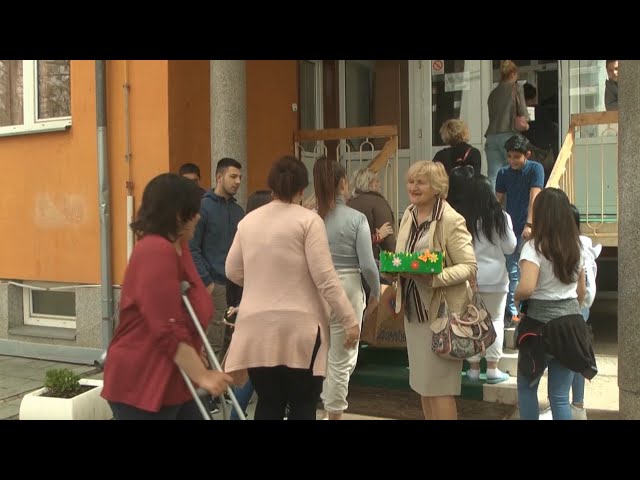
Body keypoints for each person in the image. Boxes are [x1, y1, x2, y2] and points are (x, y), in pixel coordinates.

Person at [223, 155, 360, 420]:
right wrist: (349, 319)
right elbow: (325, 277)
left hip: (257, 328)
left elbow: (231, 270)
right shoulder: (308, 221)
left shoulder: (248, 222)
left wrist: (261, 281)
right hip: (301, 329)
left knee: (268, 402)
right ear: (301, 189)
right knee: (302, 403)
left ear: (272, 186)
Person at [101, 173, 233, 420]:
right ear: (177, 215)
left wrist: (195, 351)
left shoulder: (180, 247)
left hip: (174, 378)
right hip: (143, 380)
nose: (198, 216)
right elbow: (167, 326)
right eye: (193, 210)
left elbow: (189, 305)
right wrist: (202, 374)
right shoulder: (154, 250)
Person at [391, 161, 477, 420]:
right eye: (411, 181)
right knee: (424, 387)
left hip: (442, 317)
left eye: (421, 182)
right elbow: (403, 256)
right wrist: (394, 269)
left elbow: (469, 266)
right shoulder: (408, 213)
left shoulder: (450, 219)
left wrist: (435, 278)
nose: (413, 187)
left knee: (440, 389)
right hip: (414, 314)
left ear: (437, 187)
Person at [313, 156, 380, 420]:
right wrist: (375, 291)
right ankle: (334, 414)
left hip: (316, 286)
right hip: (347, 285)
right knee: (344, 356)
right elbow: (367, 265)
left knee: (325, 350)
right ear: (343, 184)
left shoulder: (311, 217)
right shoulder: (356, 219)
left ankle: (327, 403)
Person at [514, 188, 587, 420]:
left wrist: (515, 297)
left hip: (538, 327)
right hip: (571, 325)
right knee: (559, 396)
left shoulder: (534, 247)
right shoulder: (577, 246)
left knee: (527, 389)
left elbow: (526, 288)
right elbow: (581, 291)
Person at [448, 171, 517, 384]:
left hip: (470, 277)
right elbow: (510, 247)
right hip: (496, 277)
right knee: (495, 320)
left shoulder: (463, 218)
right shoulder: (501, 217)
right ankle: (494, 368)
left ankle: (474, 369)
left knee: (471, 322)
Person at [190, 158, 244, 361]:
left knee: (232, 341)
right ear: (219, 177)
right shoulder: (203, 207)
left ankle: (224, 388)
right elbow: (192, 247)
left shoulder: (238, 211)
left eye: (239, 177)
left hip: (237, 285)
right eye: (233, 176)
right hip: (215, 283)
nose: (238, 181)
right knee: (213, 341)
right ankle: (207, 390)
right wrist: (207, 281)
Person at [225, 190, 273, 420]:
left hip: (251, 309)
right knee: (259, 372)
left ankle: (236, 415)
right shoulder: (268, 239)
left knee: (253, 370)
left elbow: (238, 274)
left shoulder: (246, 234)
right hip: (264, 313)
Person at [496, 134, 544, 327]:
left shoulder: (535, 169)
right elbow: (497, 200)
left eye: (517, 156)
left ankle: (525, 311)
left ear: (527, 154)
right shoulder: (503, 173)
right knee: (512, 270)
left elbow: (535, 196)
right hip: (510, 228)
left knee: (528, 269)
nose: (512, 161)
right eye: (509, 156)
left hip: (528, 228)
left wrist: (530, 224)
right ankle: (514, 313)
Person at [568, 204, 602, 420]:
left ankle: (574, 406)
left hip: (573, 309)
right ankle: (578, 405)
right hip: (581, 308)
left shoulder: (573, 247)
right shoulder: (585, 245)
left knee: (570, 359)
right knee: (578, 357)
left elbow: (584, 287)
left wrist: (578, 306)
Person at [485, 60, 530, 190]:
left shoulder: (492, 94)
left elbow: (492, 116)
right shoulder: (516, 88)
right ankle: (511, 207)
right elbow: (523, 113)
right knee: (514, 172)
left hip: (492, 136)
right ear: (514, 73)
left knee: (493, 174)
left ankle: (493, 207)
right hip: (509, 136)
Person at [347, 167, 396, 260]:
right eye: (377, 181)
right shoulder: (378, 203)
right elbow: (389, 241)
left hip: (350, 261)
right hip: (372, 261)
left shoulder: (348, 203)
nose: (380, 184)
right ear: (369, 184)